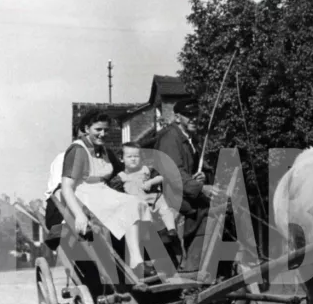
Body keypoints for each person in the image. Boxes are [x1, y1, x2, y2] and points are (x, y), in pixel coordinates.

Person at [58, 108, 155, 279]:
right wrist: (79, 215)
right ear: (87, 128)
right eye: (98, 129)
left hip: (103, 192)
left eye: (105, 130)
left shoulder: (104, 151)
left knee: (140, 204)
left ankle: (139, 257)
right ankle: (136, 261)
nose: (102, 134)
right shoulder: (78, 150)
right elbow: (66, 186)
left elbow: (123, 172)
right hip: (84, 194)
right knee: (130, 205)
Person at [155, 98, 220, 273]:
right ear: (177, 117)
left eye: (195, 115)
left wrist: (202, 177)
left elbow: (202, 168)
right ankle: (193, 266)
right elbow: (173, 173)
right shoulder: (170, 137)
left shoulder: (191, 139)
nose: (193, 119)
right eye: (188, 115)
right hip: (172, 195)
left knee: (225, 205)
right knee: (209, 212)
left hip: (186, 192)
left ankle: (211, 263)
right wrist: (201, 188)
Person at [109, 141, 180, 247]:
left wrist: (150, 182)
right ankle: (148, 237)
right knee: (143, 219)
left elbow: (161, 177)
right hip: (138, 204)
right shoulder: (121, 176)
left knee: (164, 207)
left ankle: (171, 229)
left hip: (152, 198)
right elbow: (113, 191)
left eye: (136, 156)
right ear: (121, 159)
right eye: (129, 156)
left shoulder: (146, 169)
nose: (133, 159)